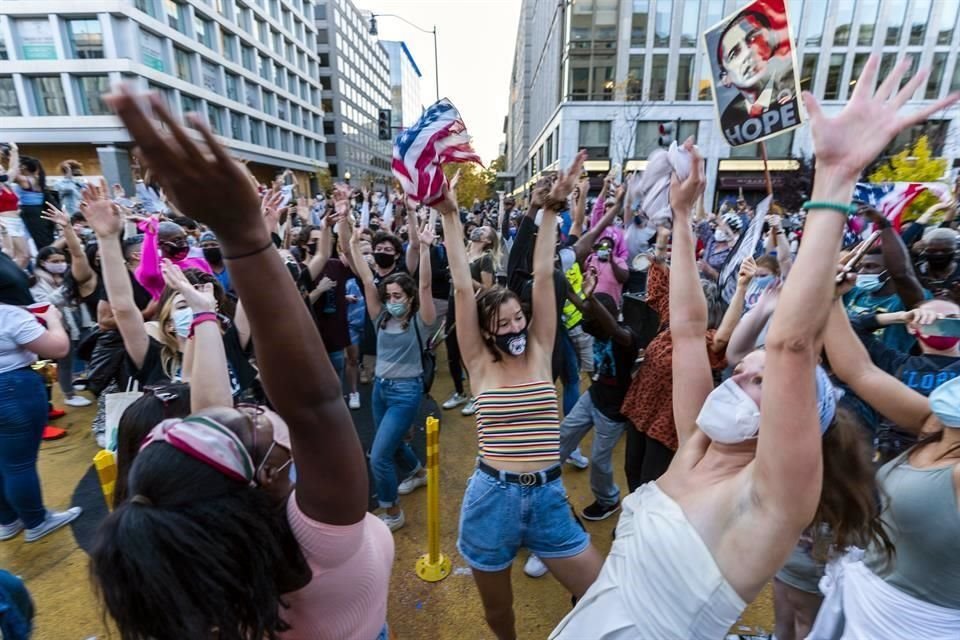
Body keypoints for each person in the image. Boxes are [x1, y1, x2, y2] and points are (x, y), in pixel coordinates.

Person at [551, 54, 952, 639]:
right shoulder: (694, 449)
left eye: (761, 380)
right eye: (746, 371)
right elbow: (689, 331)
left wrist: (835, 177)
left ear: (791, 425)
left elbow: (791, 345)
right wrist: (683, 219)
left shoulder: (770, 499)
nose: (740, 375)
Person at [91, 85, 393, 640]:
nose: (243, 408)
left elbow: (216, 422)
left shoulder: (206, 576)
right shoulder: (320, 546)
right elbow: (315, 405)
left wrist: (203, 310)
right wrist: (244, 236)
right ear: (266, 478)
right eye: (248, 423)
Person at [437, 150, 603, 640]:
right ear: (486, 332)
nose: (513, 326)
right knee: (499, 615)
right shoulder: (479, 363)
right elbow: (464, 291)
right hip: (492, 498)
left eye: (517, 318)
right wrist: (448, 215)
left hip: (549, 498)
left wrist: (551, 211)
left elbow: (544, 273)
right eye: (502, 322)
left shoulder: (539, 348)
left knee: (601, 592)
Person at [807, 299, 960, 638]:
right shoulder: (935, 423)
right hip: (865, 600)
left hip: (913, 626)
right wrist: (831, 296)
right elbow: (859, 370)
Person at [344, 184, 433, 532]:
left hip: (406, 393)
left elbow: (425, 287)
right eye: (389, 294)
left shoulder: (420, 323)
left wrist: (424, 249)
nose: (392, 298)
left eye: (398, 295)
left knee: (377, 455)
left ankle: (392, 511)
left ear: (409, 299)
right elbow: (368, 280)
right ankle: (417, 471)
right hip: (380, 389)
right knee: (390, 446)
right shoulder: (381, 316)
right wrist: (353, 242)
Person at [556, 265, 640, 521]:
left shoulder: (625, 338)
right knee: (564, 434)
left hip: (613, 412)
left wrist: (591, 298)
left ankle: (608, 499)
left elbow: (612, 328)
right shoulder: (599, 326)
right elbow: (585, 308)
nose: (586, 326)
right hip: (593, 396)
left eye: (591, 322)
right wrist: (569, 287)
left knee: (599, 461)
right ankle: (543, 481)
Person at [0, 302, 82, 542]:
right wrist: (53, 319)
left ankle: (7, 521)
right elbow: (58, 348)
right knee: (20, 464)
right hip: (13, 388)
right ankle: (37, 521)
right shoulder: (9, 315)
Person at [443, 223, 500, 415]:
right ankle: (459, 392)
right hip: (453, 302)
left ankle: (478, 395)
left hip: (470, 307)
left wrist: (464, 276)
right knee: (452, 349)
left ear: (488, 240)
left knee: (469, 351)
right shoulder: (464, 253)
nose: (478, 230)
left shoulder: (485, 259)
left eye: (483, 230)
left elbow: (487, 289)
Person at [28, 246, 92, 407]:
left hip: (78, 319)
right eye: (55, 261)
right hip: (57, 324)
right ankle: (69, 395)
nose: (60, 264)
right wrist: (67, 287)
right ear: (43, 262)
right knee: (65, 360)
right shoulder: (36, 280)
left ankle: (83, 379)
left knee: (86, 351)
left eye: (62, 260)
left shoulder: (67, 275)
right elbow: (44, 303)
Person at [9, 152, 53, 250]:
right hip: (37, 210)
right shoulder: (37, 178)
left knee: (37, 239)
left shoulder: (25, 180)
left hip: (30, 212)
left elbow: (11, 175)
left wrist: (13, 155)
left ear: (24, 167)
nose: (18, 168)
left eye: (19, 166)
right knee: (39, 238)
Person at [198, 231, 233, 296]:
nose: (209, 248)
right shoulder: (200, 270)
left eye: (214, 244)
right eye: (205, 245)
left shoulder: (233, 267)